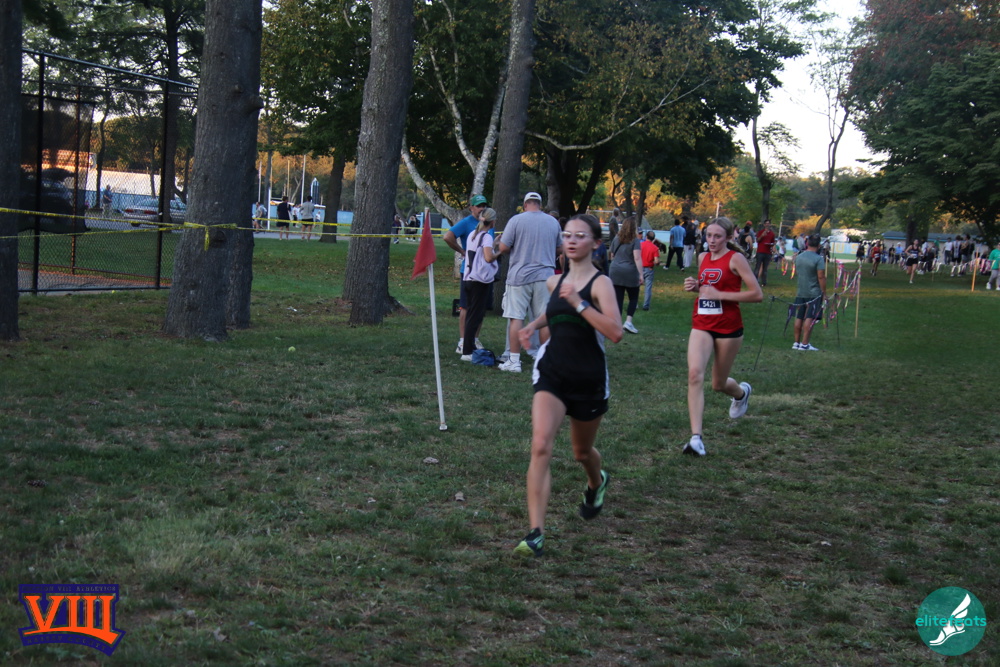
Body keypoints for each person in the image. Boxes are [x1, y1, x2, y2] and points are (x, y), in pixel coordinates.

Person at [513, 214, 623, 557]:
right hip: (553, 372)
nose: (572, 241)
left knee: (581, 452)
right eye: (567, 235)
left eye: (580, 236)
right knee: (540, 445)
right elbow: (554, 311)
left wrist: (579, 302)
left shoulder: (600, 284)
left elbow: (615, 332)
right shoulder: (554, 281)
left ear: (596, 243)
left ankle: (596, 481)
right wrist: (532, 325)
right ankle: (535, 533)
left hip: (588, 378)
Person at [681, 217, 762, 456]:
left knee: (718, 384)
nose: (712, 240)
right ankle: (696, 438)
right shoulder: (702, 257)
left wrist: (720, 295)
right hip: (702, 323)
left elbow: (756, 294)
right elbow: (708, 287)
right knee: (695, 374)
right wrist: (696, 286)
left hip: (728, 327)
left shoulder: (736, 259)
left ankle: (741, 393)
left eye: (717, 236)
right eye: (709, 235)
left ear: (728, 237)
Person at [494, 192, 563, 373]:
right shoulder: (552, 222)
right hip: (545, 276)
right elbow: (560, 247)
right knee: (544, 318)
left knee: (516, 317)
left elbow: (504, 247)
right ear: (540, 204)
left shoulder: (516, 220)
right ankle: (545, 359)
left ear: (525, 205)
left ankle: (514, 360)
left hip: (520, 276)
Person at [443, 194, 490, 354]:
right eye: (478, 206)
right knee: (466, 306)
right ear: (471, 208)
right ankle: (463, 341)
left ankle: (474, 339)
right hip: (469, 272)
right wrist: (462, 251)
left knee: (480, 308)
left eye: (484, 205)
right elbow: (447, 237)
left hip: (485, 273)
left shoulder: (488, 223)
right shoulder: (466, 222)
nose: (482, 208)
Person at [460, 208, 500, 358]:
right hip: (480, 280)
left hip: (468, 277)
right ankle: (467, 350)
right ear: (493, 221)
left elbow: (480, 253)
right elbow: (488, 258)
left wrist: (494, 244)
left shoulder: (473, 234)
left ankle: (467, 346)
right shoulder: (486, 236)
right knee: (475, 316)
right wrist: (500, 251)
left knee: (471, 313)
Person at [608, 215, 643, 334]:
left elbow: (612, 254)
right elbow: (637, 258)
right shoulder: (635, 240)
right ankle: (628, 322)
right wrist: (641, 274)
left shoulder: (616, 238)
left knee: (618, 298)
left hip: (615, 270)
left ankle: (617, 323)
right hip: (630, 271)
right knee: (633, 297)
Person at [792, 234, 827, 351]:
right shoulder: (818, 259)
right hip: (813, 292)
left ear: (807, 243)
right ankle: (805, 344)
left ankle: (796, 343)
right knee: (810, 317)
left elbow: (798, 272)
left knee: (799, 316)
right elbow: (821, 276)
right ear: (819, 245)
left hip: (801, 291)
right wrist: (824, 292)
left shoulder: (799, 256)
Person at [640, 230, 660, 311]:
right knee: (648, 288)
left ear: (646, 237)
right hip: (649, 268)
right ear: (653, 238)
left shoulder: (640, 245)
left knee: (636, 287)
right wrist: (656, 263)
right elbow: (656, 261)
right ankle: (646, 305)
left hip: (639, 268)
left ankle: (634, 304)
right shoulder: (655, 248)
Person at [754, 220, 776, 286]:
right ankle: (754, 281)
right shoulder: (760, 232)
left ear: (770, 224)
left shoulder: (772, 234)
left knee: (765, 268)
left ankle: (764, 282)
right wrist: (762, 235)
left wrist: (772, 245)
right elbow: (757, 240)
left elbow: (773, 242)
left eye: (768, 223)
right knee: (757, 267)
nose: (767, 224)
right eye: (766, 223)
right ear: (764, 224)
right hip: (760, 251)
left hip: (768, 252)